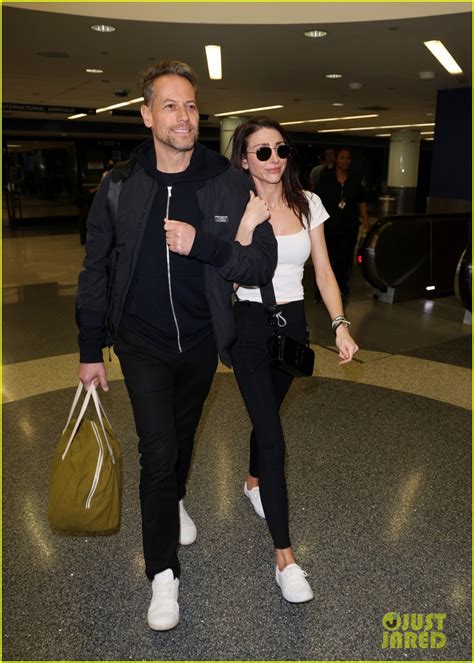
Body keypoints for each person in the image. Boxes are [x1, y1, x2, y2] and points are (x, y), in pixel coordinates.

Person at [76, 60, 277, 631]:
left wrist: (205, 247)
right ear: (145, 115)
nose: (184, 116)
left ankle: (175, 499)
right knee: (157, 451)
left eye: (190, 106)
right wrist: (91, 349)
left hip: (200, 342)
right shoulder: (120, 185)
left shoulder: (227, 181)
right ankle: (163, 576)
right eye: (170, 105)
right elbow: (94, 270)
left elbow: (259, 262)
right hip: (140, 342)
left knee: (182, 439)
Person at [229, 117, 359, 603]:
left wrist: (340, 324)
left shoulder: (309, 202)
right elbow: (227, 270)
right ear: (244, 159)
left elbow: (323, 273)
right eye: (261, 152)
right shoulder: (233, 204)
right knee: (273, 436)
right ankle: (285, 559)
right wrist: (246, 224)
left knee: (268, 416)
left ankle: (251, 481)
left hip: (293, 329)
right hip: (249, 324)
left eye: (280, 149)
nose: (274, 159)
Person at [314, 147, 369, 298]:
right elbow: (316, 200)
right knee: (325, 259)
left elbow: (361, 201)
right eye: (342, 158)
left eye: (348, 158)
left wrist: (365, 220)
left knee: (343, 260)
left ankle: (341, 288)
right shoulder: (326, 178)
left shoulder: (355, 179)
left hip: (348, 227)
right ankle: (321, 292)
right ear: (336, 160)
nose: (346, 161)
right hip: (328, 227)